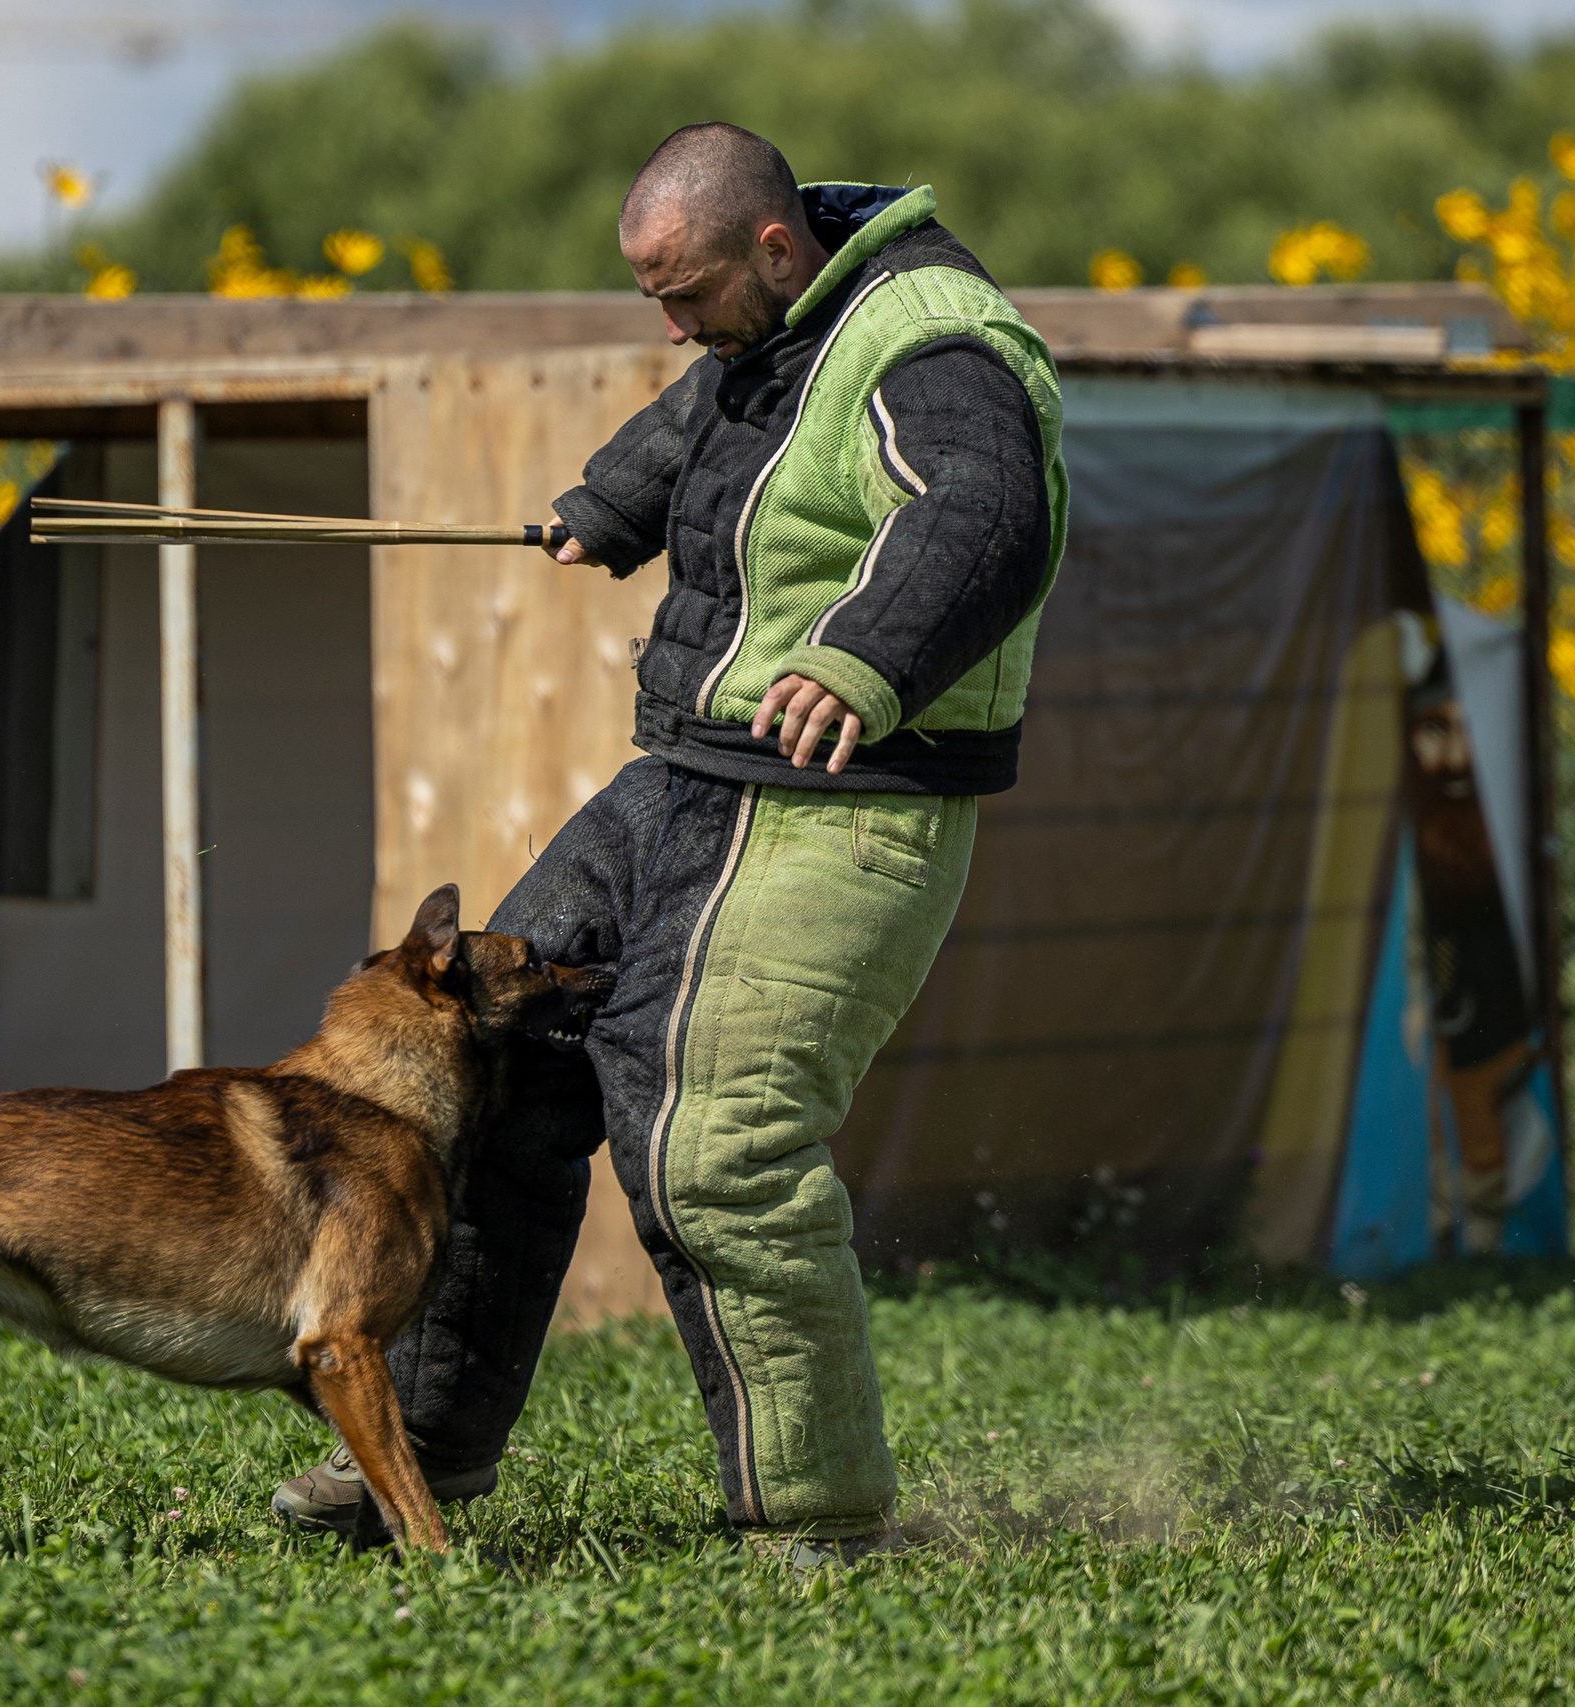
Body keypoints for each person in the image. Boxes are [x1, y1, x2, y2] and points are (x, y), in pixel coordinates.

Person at [273, 122, 1068, 1561]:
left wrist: (868, 656)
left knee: (715, 1152)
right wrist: (605, 509)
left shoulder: (940, 347)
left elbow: (991, 514)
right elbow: (710, 417)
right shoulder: (776, 325)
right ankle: (419, 1463)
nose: (673, 322)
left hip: (847, 793)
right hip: (686, 776)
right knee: (487, 1063)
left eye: (685, 291)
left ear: (773, 246)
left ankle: (817, 1521)